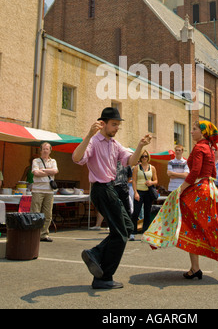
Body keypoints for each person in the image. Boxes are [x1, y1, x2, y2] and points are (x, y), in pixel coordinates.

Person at [72, 106, 151, 290]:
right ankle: (104, 276)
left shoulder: (115, 145)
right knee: (121, 233)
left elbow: (131, 162)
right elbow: (77, 158)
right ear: (103, 124)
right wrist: (89, 135)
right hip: (101, 189)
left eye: (118, 125)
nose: (116, 128)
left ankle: (96, 254)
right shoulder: (93, 142)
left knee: (128, 227)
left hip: (111, 189)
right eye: (113, 124)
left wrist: (141, 145)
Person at [178, 121, 218, 284]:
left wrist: (182, 188)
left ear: (203, 132)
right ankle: (196, 268)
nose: (191, 131)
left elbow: (195, 171)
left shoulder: (199, 147)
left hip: (200, 190)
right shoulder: (210, 149)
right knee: (208, 226)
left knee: (194, 227)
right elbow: (213, 172)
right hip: (211, 189)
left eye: (194, 129)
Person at [30, 142, 59, 242]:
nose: (45, 151)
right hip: (37, 190)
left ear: (50, 150)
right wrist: (48, 171)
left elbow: (55, 171)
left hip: (49, 191)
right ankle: (33, 234)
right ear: (40, 150)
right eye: (44, 149)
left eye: (47, 149)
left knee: (47, 214)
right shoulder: (36, 160)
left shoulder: (53, 161)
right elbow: (35, 173)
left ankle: (44, 234)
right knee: (35, 212)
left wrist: (43, 170)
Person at [131, 150, 158, 240]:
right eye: (142, 156)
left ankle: (145, 230)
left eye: (146, 156)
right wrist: (135, 192)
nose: (144, 158)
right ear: (140, 157)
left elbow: (156, 181)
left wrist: (151, 182)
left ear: (148, 157)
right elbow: (134, 180)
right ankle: (133, 231)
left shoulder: (152, 168)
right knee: (136, 212)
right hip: (139, 191)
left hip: (148, 192)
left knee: (147, 212)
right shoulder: (136, 168)